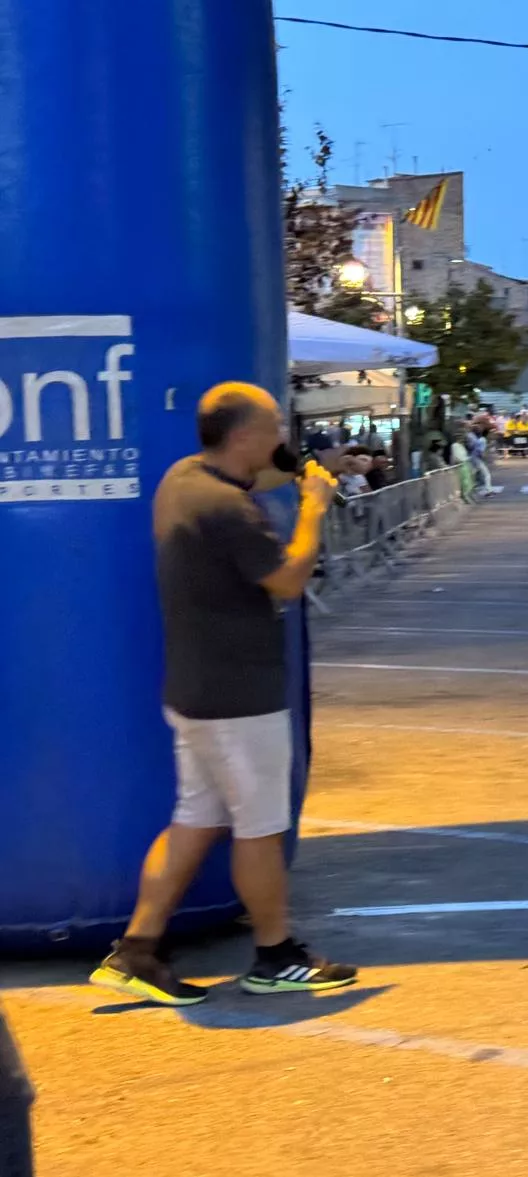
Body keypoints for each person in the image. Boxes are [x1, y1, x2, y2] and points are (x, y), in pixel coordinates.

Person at [91, 381, 357, 1006]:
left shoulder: (184, 479)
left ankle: (137, 949)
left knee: (194, 819)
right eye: (273, 427)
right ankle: (275, 956)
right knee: (259, 828)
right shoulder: (228, 511)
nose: (282, 438)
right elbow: (287, 580)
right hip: (240, 697)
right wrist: (314, 507)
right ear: (243, 437)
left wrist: (306, 475)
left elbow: (252, 484)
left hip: (195, 689)